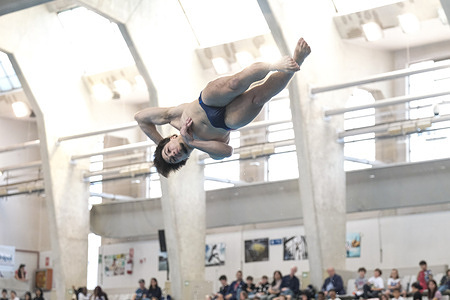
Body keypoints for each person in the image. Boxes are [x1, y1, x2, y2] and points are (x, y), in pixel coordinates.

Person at [134, 38, 311, 177]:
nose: (174, 153)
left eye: (168, 151)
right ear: (185, 158)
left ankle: (274, 65)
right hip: (227, 121)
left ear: (170, 138)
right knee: (260, 98)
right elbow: (227, 152)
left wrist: (159, 145)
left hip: (208, 102)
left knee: (235, 83)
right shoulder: (205, 147)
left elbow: (140, 118)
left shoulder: (174, 118)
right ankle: (297, 61)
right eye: (174, 158)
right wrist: (192, 142)